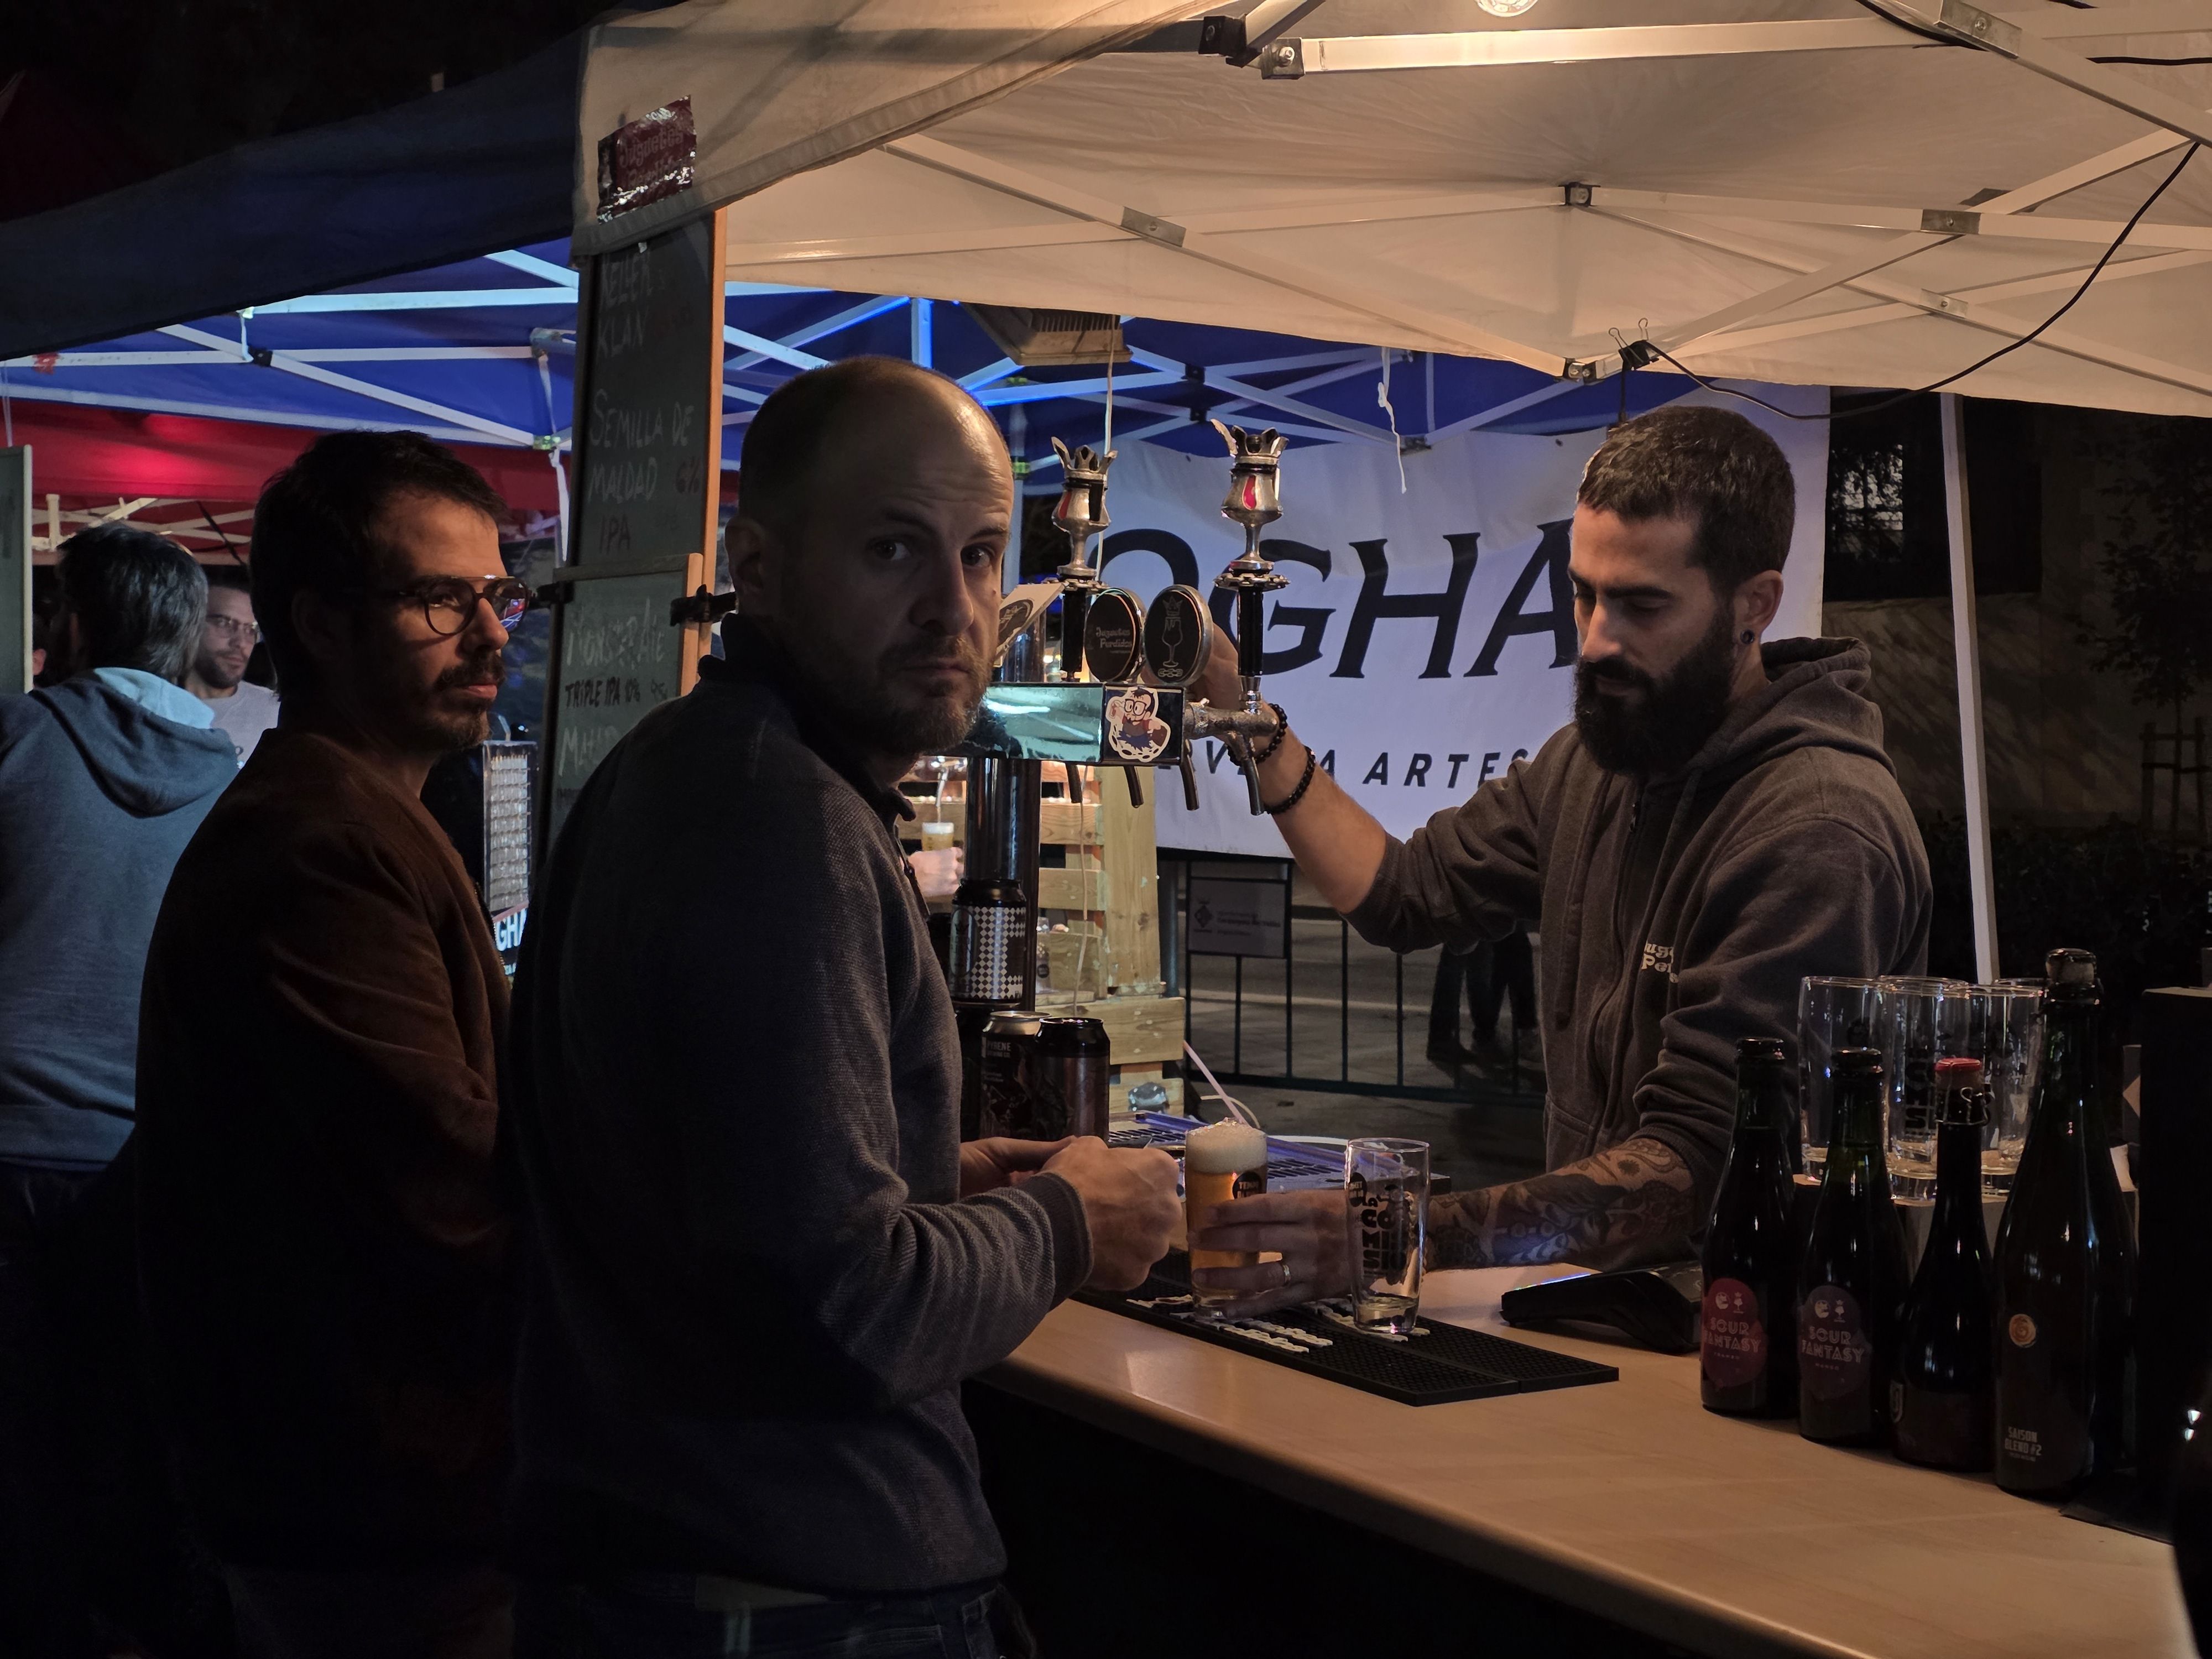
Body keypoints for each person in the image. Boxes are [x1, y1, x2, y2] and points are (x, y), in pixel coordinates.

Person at [504, 356, 1180, 1657]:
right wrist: (1065, 1220)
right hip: (783, 1589)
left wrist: (939, 1170)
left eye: (983, 555)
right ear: (755, 568)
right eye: (891, 550)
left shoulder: (691, 767)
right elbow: (845, 1302)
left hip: (671, 1564)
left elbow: (721, 1208)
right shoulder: (776, 820)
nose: (956, 607)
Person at [1192, 405, 1931, 1300]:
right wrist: (1250, 722)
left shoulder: (1816, 829)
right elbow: (1403, 892)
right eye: (1584, 592)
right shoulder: (1598, 761)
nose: (1596, 639)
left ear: (1756, 604)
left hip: (1763, 1355)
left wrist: (1393, 1229)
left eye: (1643, 604)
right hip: (1599, 1312)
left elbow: (1699, 1169)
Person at [135, 431, 529, 1658]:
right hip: (366, 1499)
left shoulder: (361, 813)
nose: (491, 635)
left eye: (495, 594)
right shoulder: (319, 844)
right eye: (438, 599)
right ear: (318, 622)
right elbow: (451, 1183)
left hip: (377, 1487)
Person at [0, 524, 237, 1655]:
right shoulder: (240, 789)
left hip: (5, 1146)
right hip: (144, 1162)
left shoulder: (13, 742)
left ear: (77, 623)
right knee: (115, 1437)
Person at [186, 565, 281, 763]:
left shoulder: (274, 714)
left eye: (250, 629)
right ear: (190, 623)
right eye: (225, 623)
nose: (241, 642)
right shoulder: (149, 706)